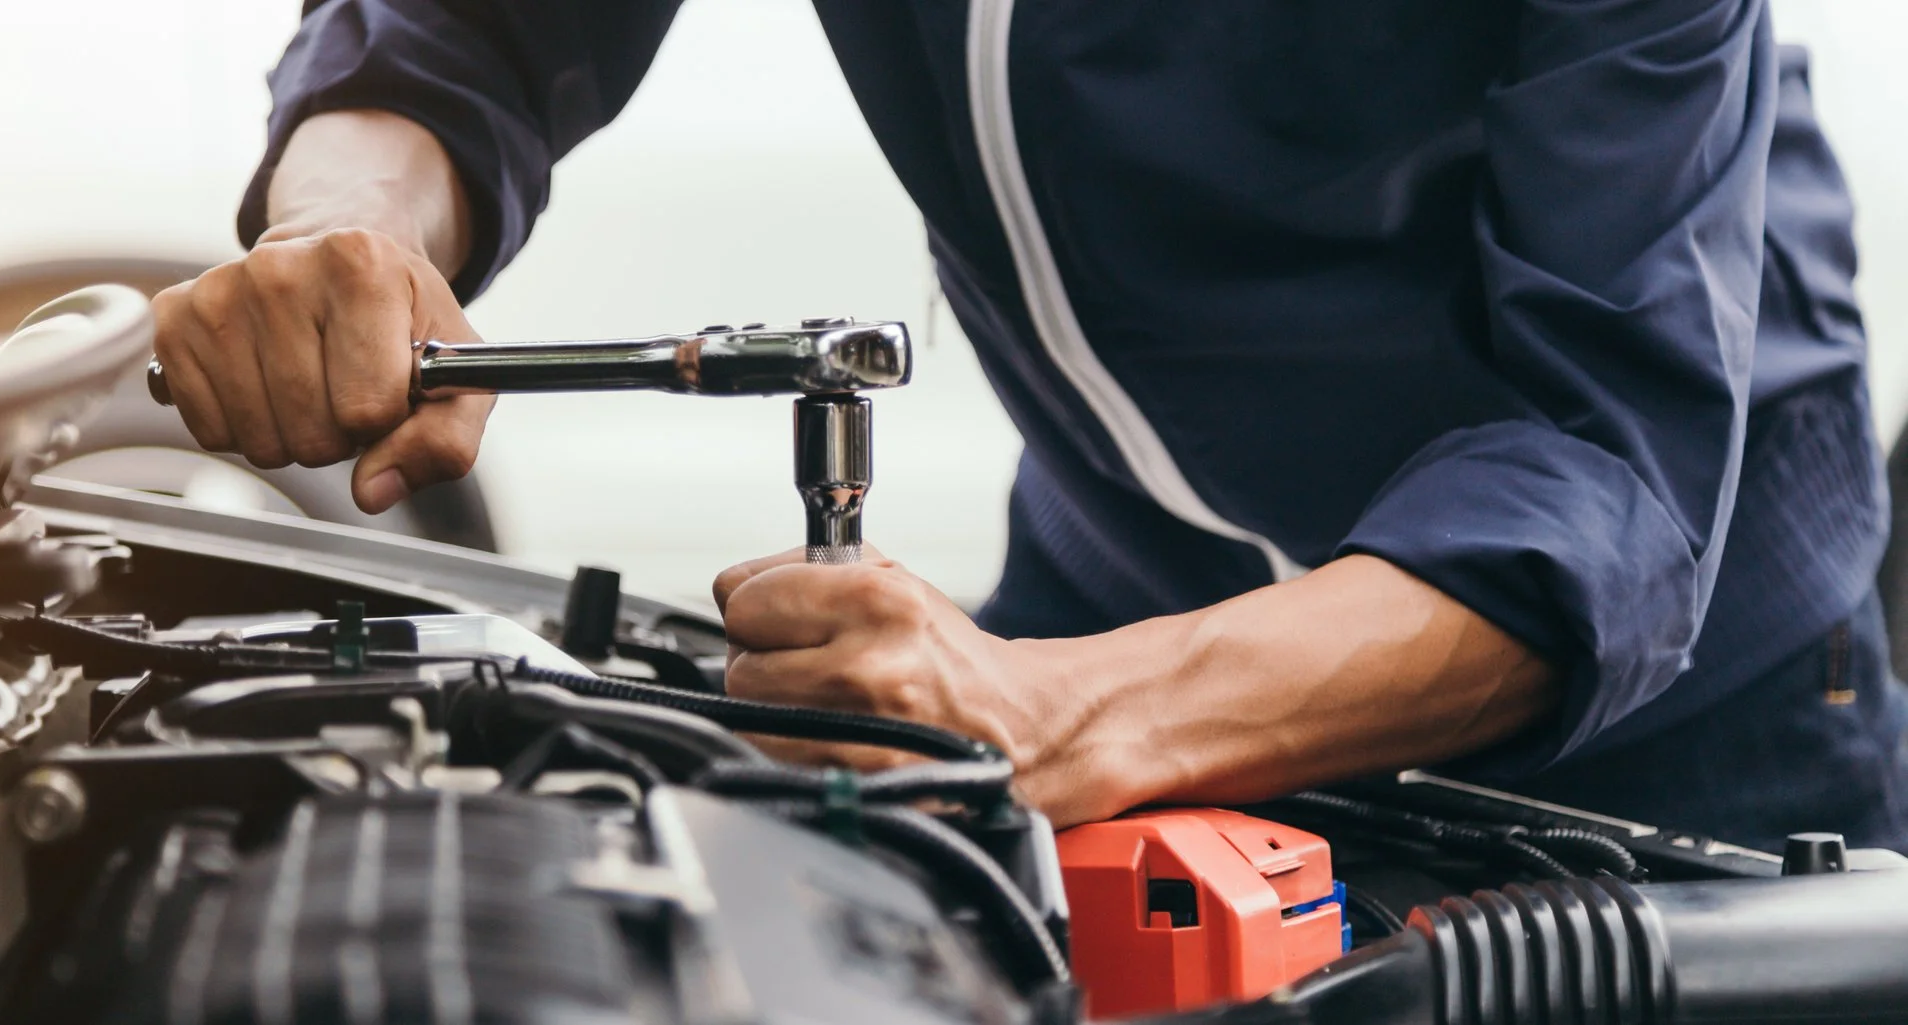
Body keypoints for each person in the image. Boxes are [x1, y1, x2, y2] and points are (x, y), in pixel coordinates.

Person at [150, 0, 1906, 852]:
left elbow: (1614, 463)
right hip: (1107, 592)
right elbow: (465, 29)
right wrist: (344, 233)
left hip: (1687, 713)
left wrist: (1053, 712)